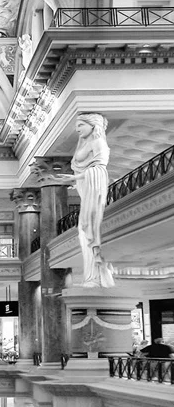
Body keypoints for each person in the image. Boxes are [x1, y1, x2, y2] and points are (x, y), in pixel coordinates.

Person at [69, 113, 115, 288]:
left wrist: (73, 178)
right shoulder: (86, 143)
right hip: (86, 189)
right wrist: (74, 178)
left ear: (93, 125)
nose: (77, 129)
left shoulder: (98, 143)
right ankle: (92, 275)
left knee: (90, 228)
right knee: (83, 230)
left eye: (81, 125)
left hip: (95, 188)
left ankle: (97, 276)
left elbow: (100, 168)